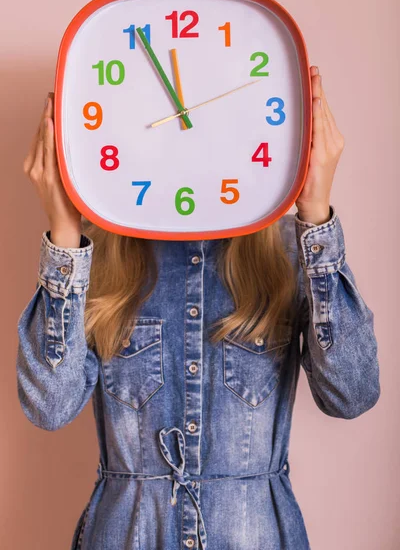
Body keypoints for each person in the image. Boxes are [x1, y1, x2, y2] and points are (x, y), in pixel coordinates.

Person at [17, 66, 380, 550]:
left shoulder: (293, 257)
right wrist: (64, 237)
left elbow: (352, 393)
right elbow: (48, 407)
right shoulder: (92, 261)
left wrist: (316, 218)